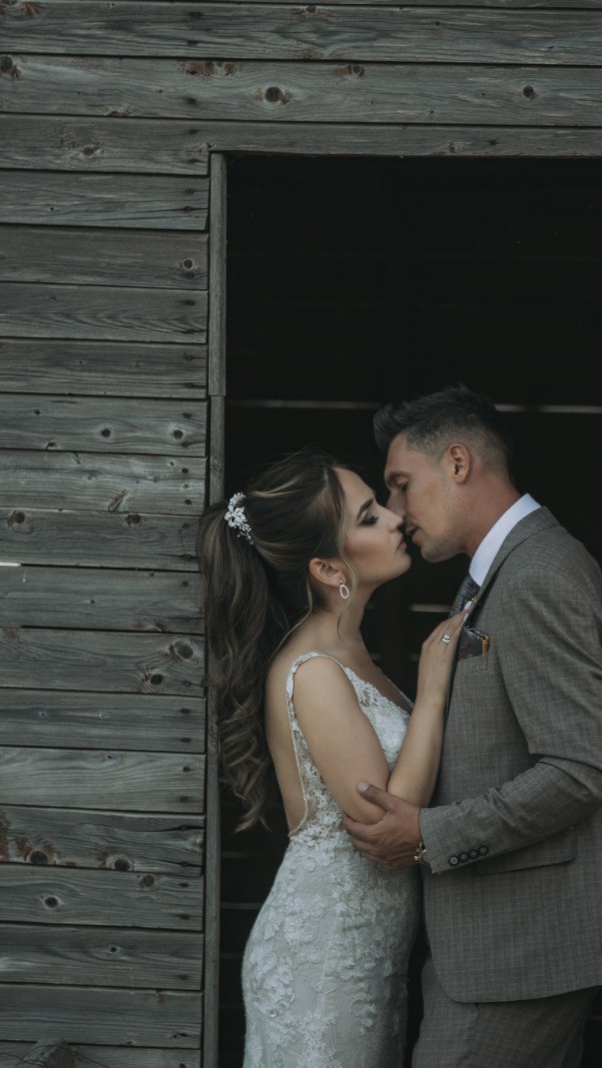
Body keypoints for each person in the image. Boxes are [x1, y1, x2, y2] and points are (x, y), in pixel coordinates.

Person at [344, 386, 602, 1067]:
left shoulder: (537, 574)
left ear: (458, 463)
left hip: (520, 951)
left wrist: (429, 834)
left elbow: (580, 770)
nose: (396, 511)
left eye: (401, 485)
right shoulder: (510, 569)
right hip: (501, 946)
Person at [198, 450, 467, 1068]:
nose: (397, 518)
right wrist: (432, 692)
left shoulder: (352, 652)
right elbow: (385, 817)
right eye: (370, 517)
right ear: (326, 567)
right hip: (323, 960)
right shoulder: (314, 670)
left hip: (366, 956)